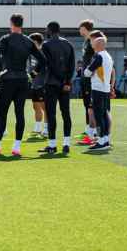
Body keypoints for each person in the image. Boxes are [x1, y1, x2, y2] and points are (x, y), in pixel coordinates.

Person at [0, 13, 46, 156]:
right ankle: (17, 147)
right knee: (19, 113)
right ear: (22, 24)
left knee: (3, 113)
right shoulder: (28, 41)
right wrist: (32, 74)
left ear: (11, 23)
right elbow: (42, 60)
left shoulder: (6, 39)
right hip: (23, 79)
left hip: (7, 79)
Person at [38, 21, 75, 154]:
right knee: (66, 113)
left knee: (51, 114)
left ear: (49, 30)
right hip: (65, 85)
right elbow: (72, 66)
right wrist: (67, 82)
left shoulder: (46, 45)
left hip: (51, 83)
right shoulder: (68, 44)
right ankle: (66, 144)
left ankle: (52, 145)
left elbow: (47, 64)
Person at [84, 36, 113, 152]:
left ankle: (101, 140)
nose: (92, 45)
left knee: (99, 115)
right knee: (104, 115)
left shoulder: (99, 56)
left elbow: (87, 72)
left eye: (95, 43)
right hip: (105, 88)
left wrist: (87, 70)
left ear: (100, 44)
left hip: (98, 88)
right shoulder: (108, 56)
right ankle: (105, 139)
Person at [77, 20, 98, 145]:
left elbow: (96, 58)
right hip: (85, 77)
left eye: (80, 28)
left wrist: (90, 72)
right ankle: (88, 130)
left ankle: (93, 133)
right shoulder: (86, 41)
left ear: (85, 28)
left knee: (91, 106)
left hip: (90, 78)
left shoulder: (93, 41)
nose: (79, 30)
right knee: (87, 104)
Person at [28, 33, 47, 138]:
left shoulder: (43, 52)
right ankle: (37, 128)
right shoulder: (32, 53)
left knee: (45, 107)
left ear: (35, 42)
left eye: (31, 41)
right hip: (34, 83)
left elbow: (44, 66)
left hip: (43, 83)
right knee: (35, 106)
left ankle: (46, 129)